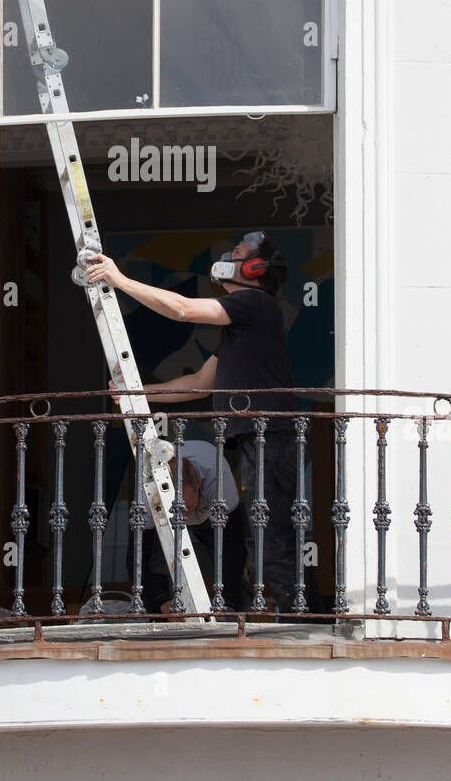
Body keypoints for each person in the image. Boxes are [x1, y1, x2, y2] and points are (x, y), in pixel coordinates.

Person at [85, 232, 324, 616]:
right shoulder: (243, 324)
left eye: (240, 254)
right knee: (272, 535)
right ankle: (306, 615)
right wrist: (139, 392)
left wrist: (119, 279)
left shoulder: (253, 302)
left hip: (268, 437)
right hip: (259, 438)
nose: (230, 256)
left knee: (275, 539)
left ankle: (308, 621)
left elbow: (181, 309)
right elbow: (198, 384)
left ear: (255, 269)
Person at [128, 438, 247, 613]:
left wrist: (225, 603)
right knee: (157, 561)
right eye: (177, 510)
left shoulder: (218, 477)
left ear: (198, 482)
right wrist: (161, 602)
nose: (183, 515)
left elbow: (233, 548)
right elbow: (137, 559)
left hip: (209, 514)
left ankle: (235, 612)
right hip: (162, 518)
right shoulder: (146, 497)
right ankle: (163, 614)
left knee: (232, 564)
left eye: (186, 507)